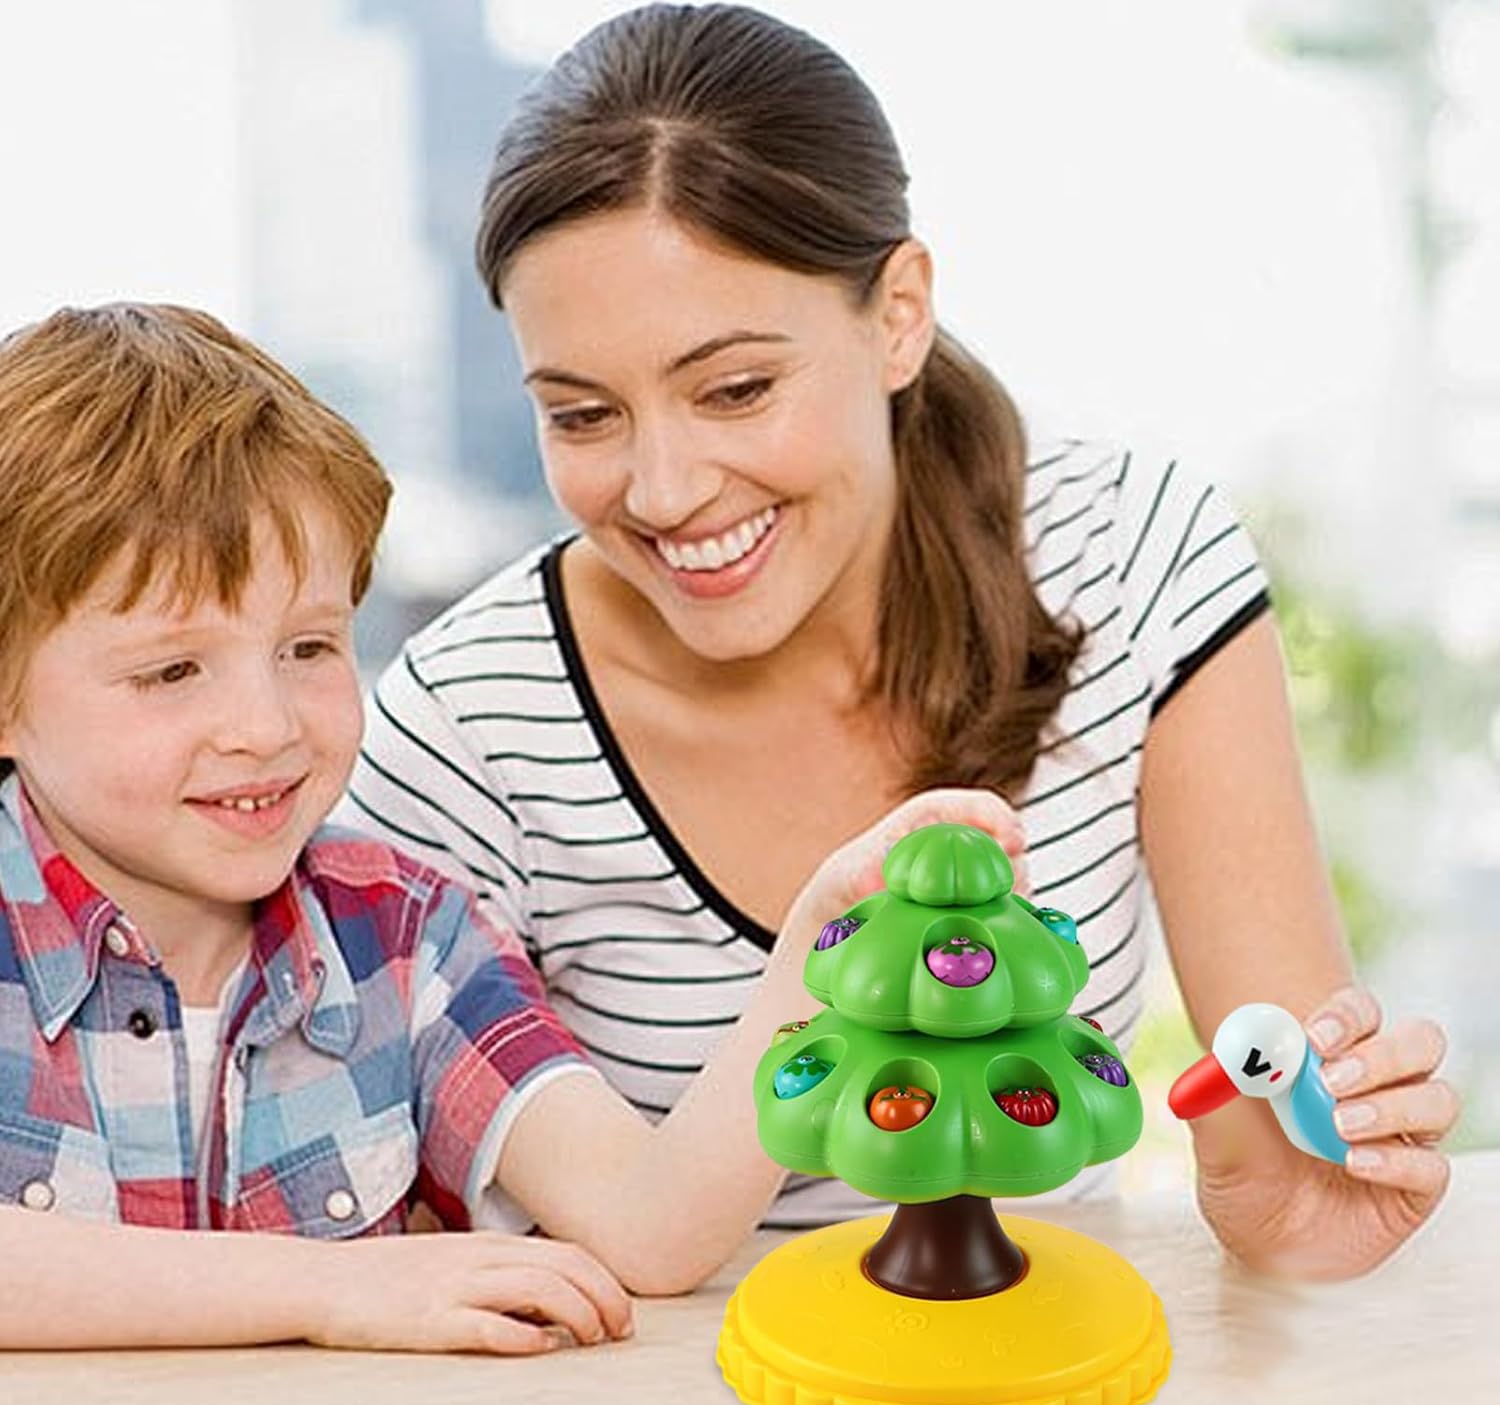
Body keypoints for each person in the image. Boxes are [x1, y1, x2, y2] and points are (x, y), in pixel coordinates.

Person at [344, 2, 1459, 1281]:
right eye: (583, 415)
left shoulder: (1133, 558)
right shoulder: (466, 729)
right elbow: (420, 1231)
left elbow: (1281, 1111)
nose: (663, 490)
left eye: (736, 390)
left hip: (1039, 1369)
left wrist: (1293, 1199)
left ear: (899, 315)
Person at [0, 302, 984, 1353]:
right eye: (171, 672)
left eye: (309, 648)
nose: (267, 726)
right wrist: (333, 1290)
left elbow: (650, 1227)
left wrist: (819, 958)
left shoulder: (407, 937)